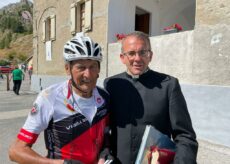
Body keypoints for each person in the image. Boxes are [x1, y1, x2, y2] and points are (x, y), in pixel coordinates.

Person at [9, 33, 113, 164]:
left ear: (99, 69)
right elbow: (16, 151)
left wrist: (105, 152)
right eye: (81, 67)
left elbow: (103, 135)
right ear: (67, 69)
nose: (88, 74)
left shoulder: (104, 97)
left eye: (92, 66)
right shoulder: (49, 98)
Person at [104, 31, 198, 164]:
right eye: (131, 53)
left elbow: (185, 136)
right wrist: (106, 155)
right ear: (122, 57)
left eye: (143, 52)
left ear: (150, 56)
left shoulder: (169, 85)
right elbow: (104, 130)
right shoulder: (111, 84)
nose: (137, 58)